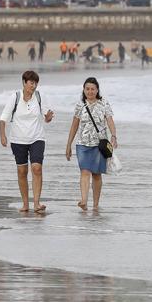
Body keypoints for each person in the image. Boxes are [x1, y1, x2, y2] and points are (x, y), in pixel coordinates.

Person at [0, 70, 54, 213]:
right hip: (18, 139)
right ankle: (25, 204)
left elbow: (46, 117)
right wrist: (3, 136)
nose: (33, 86)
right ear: (24, 82)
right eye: (31, 83)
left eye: (35, 83)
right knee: (22, 171)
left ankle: (36, 203)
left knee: (37, 168)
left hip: (37, 137)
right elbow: (3, 119)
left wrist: (48, 117)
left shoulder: (40, 96)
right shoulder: (15, 97)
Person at [65, 77, 118, 211]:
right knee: (84, 171)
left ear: (97, 90)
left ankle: (95, 204)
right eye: (87, 89)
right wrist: (68, 144)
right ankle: (83, 201)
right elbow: (74, 125)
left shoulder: (104, 103)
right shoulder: (79, 105)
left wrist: (114, 135)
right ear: (84, 90)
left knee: (96, 174)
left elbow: (110, 120)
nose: (90, 91)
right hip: (82, 144)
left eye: (92, 89)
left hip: (99, 144)